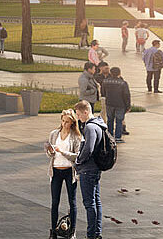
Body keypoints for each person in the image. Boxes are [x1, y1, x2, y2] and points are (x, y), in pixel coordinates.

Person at [70, 100, 110, 238]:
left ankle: (91, 234)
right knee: (96, 202)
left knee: (89, 204)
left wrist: (78, 161)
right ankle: (96, 232)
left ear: (86, 112)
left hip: (88, 170)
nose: (78, 117)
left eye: (79, 114)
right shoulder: (99, 124)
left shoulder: (90, 127)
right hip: (95, 169)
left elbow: (89, 148)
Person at [46, 109, 81, 238]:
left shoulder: (76, 137)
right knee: (55, 202)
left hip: (69, 171)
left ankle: (72, 232)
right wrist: (51, 151)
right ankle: (53, 231)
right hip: (55, 170)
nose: (64, 124)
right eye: (63, 121)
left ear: (72, 123)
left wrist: (62, 152)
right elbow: (50, 154)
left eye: (67, 122)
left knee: (72, 202)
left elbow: (77, 156)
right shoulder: (54, 134)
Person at [98, 65, 131, 138]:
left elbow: (103, 92)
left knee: (110, 120)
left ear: (111, 73)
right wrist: (128, 106)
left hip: (109, 103)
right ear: (119, 74)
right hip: (120, 104)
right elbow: (126, 95)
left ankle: (110, 136)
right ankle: (118, 137)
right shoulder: (123, 83)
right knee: (119, 121)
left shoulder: (105, 81)